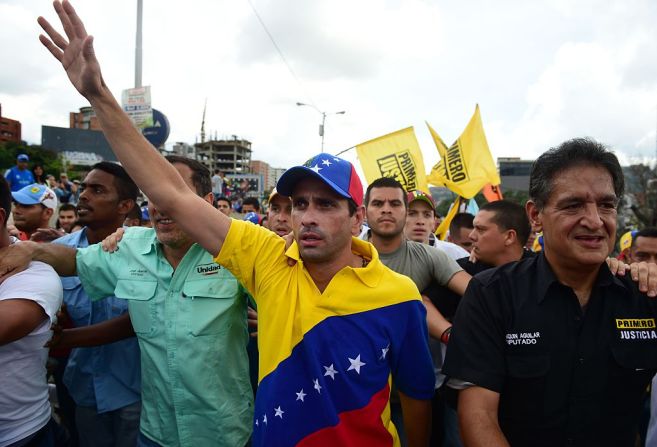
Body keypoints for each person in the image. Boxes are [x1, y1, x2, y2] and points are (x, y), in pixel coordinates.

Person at [37, 4, 435, 445]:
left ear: (356, 217)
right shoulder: (266, 257)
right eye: (299, 203)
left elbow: (417, 399)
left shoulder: (398, 296)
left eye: (326, 204)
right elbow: (172, 194)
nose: (307, 216)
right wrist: (99, 96)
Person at [0, 156, 253, 447]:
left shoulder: (237, 252)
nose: (161, 205)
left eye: (176, 194)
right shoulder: (130, 245)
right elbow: (77, 260)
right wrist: (32, 251)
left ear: (207, 202)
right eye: (154, 194)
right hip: (155, 434)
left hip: (223, 435)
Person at [444, 138, 657, 447]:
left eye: (606, 205)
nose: (595, 220)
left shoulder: (644, 295)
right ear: (535, 215)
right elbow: (478, 417)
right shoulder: (492, 294)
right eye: (573, 205)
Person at [364, 179, 470, 446]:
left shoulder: (430, 257)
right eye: (378, 203)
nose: (386, 209)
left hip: (411, 394)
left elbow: (478, 293)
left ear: (403, 210)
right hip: (357, 390)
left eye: (395, 203)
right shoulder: (345, 253)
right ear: (363, 211)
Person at [54, 161, 142, 447]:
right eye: (83, 188)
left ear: (124, 205)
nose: (83, 195)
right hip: (83, 389)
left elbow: (139, 321)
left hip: (137, 392)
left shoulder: (146, 254)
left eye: (97, 190)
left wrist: (62, 338)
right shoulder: (57, 254)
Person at [0, 176, 65, 447]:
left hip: (21, 436)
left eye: (27, 205)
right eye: (17, 204)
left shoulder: (35, 273)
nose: (20, 210)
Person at [404, 190, 469, 260]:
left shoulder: (458, 255)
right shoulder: (391, 257)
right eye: (411, 214)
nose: (420, 221)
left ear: (434, 222)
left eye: (427, 215)